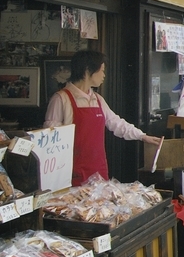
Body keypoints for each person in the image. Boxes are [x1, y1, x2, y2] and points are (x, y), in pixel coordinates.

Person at [43, 50, 159, 186]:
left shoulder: (97, 99)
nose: (104, 75)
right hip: (72, 171)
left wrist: (142, 136)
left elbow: (116, 123)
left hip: (98, 167)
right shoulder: (61, 99)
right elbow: (51, 140)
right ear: (88, 70)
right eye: (102, 70)